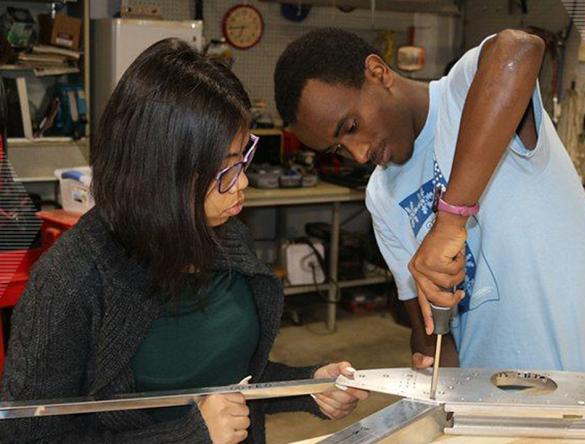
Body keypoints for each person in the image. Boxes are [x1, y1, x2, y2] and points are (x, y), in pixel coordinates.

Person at [0, 38, 367, 444]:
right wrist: (188, 436)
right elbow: (28, 436)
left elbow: (231, 379)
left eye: (244, 159)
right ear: (164, 172)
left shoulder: (225, 240)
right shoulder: (71, 281)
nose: (242, 183)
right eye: (226, 170)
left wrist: (305, 385)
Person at [274, 28, 585, 372]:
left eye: (350, 126)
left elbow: (520, 48)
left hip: (569, 388)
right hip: (479, 402)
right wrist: (429, 360)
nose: (358, 155)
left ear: (378, 73)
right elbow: (430, 335)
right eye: (337, 148)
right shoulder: (381, 193)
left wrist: (450, 221)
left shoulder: (463, 94)